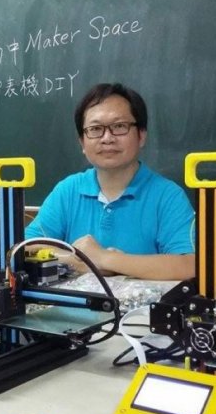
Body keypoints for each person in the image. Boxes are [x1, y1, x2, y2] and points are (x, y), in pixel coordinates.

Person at [24, 83, 195, 281]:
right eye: (95, 129)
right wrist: (75, 259)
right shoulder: (68, 190)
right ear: (82, 142)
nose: (107, 138)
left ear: (141, 135)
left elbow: (190, 265)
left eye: (119, 126)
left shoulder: (167, 196)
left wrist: (106, 259)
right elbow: (25, 247)